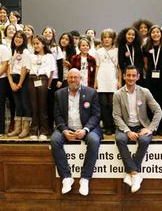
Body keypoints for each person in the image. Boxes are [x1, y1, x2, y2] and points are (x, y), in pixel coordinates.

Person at [51, 68, 102, 196]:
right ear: (67, 79)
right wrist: (64, 130)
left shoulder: (91, 93)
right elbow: (57, 115)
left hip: (85, 127)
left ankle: (85, 179)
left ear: (81, 79)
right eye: (70, 77)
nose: (73, 80)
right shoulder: (59, 94)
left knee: (94, 140)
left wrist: (85, 130)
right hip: (67, 127)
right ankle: (66, 177)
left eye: (76, 77)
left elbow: (96, 115)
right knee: (55, 140)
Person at [113, 65, 162, 193]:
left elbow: (158, 111)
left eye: (133, 75)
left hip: (141, 125)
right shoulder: (118, 94)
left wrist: (150, 129)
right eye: (128, 75)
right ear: (124, 76)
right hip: (125, 125)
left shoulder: (144, 92)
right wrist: (127, 131)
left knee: (145, 140)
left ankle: (130, 174)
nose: (131, 78)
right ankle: (135, 173)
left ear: (138, 77)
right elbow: (116, 116)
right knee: (120, 139)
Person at [143, 25, 162, 135]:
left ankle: (160, 127)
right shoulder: (146, 47)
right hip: (150, 78)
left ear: (161, 34)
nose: (156, 34)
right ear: (150, 34)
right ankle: (152, 126)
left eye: (158, 32)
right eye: (153, 32)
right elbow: (145, 64)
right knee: (151, 101)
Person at [26, 35, 55, 140]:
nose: (35, 45)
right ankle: (34, 131)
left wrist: (48, 84)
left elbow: (51, 73)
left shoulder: (49, 56)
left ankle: (44, 131)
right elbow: (28, 69)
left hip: (43, 79)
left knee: (43, 107)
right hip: (32, 79)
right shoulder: (31, 56)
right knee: (34, 107)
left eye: (37, 43)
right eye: (34, 44)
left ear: (43, 44)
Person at [94, 29, 121, 135]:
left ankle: (115, 125)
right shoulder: (99, 51)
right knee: (103, 104)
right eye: (104, 37)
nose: (106, 39)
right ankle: (107, 126)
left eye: (109, 37)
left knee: (113, 104)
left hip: (113, 80)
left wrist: (119, 80)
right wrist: (96, 81)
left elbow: (119, 68)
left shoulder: (117, 51)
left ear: (113, 39)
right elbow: (97, 66)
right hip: (102, 80)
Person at [7, 31, 32, 138]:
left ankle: (26, 129)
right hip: (13, 79)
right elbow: (8, 68)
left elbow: (25, 68)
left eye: (21, 38)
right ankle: (18, 128)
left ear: (24, 40)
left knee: (25, 103)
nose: (18, 39)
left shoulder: (25, 52)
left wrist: (20, 83)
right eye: (16, 37)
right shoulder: (12, 51)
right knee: (17, 104)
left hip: (23, 79)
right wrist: (12, 82)